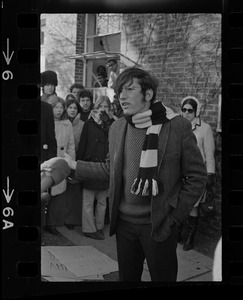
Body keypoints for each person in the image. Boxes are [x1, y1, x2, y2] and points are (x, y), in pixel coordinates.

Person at [64, 67, 207, 281]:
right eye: (120, 90)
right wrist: (73, 164)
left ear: (148, 94)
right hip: (124, 226)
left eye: (130, 89)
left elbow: (197, 176)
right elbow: (109, 169)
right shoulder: (118, 127)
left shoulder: (177, 126)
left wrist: (174, 217)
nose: (122, 96)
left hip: (159, 225)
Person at [76, 95, 115, 240]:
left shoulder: (112, 124)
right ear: (96, 108)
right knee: (88, 201)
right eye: (100, 107)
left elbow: (114, 143)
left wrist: (108, 126)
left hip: (104, 166)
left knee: (102, 201)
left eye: (106, 107)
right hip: (89, 164)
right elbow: (82, 145)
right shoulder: (89, 124)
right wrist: (79, 165)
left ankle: (99, 227)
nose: (103, 110)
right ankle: (88, 228)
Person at [180, 96, 216, 251]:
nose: (186, 113)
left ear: (196, 111)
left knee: (193, 205)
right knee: (180, 203)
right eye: (184, 110)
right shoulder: (178, 126)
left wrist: (210, 173)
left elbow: (209, 153)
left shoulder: (204, 128)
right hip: (180, 173)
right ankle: (179, 232)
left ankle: (190, 238)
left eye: (190, 110)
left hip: (196, 174)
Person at [44, 95, 76, 235]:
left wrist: (70, 163)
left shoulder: (67, 123)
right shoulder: (45, 121)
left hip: (61, 160)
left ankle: (51, 223)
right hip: (47, 160)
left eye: (61, 107)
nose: (59, 110)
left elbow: (71, 145)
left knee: (57, 195)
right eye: (55, 107)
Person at [63, 96, 85, 230]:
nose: (72, 110)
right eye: (70, 107)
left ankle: (72, 219)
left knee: (73, 192)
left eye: (75, 108)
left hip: (76, 160)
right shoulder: (62, 122)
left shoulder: (82, 124)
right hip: (62, 158)